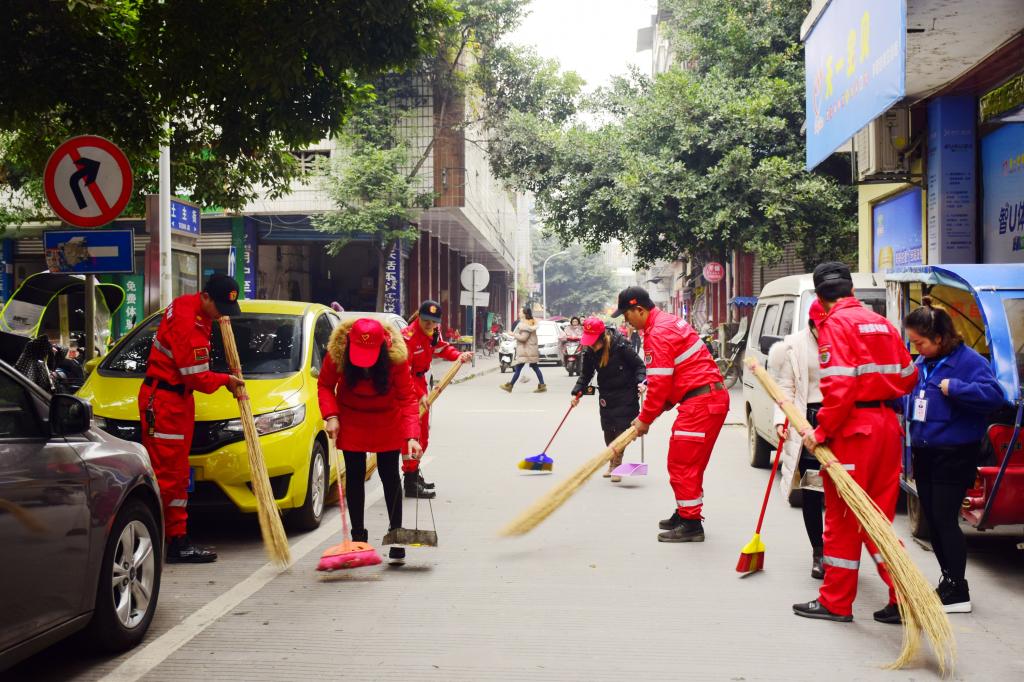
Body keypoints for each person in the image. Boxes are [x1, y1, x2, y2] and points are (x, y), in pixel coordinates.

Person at [793, 262, 917, 624]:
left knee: (844, 520)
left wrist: (821, 432)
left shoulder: (835, 325)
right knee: (877, 520)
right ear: (851, 290)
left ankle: (836, 601)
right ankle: (905, 596)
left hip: (853, 432)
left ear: (820, 298)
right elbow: (909, 376)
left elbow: (840, 388)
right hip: (886, 428)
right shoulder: (882, 323)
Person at [905, 298, 1005, 614]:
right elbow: (910, 398)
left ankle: (959, 590)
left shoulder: (968, 361)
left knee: (945, 519)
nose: (917, 349)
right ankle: (948, 582)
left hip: (954, 454)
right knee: (933, 520)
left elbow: (995, 396)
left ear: (939, 338)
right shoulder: (923, 363)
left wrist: (957, 388)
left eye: (920, 342)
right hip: (925, 452)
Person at [139, 274, 246, 563]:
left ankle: (170, 537)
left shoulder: (187, 305)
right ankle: (174, 542)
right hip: (166, 403)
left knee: (175, 470)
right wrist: (226, 380)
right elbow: (196, 377)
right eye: (219, 307)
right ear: (206, 296)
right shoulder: (190, 324)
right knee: (170, 475)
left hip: (173, 399)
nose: (222, 315)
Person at [616, 286, 729, 542]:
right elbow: (669, 385)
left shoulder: (658, 333)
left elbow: (659, 385)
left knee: (682, 462)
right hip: (706, 399)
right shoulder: (668, 323)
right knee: (691, 463)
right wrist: (649, 416)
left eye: (626, 315)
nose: (626, 321)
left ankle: (691, 523)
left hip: (700, 403)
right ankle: (685, 512)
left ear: (639, 310)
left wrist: (645, 419)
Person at [317, 317, 422, 563]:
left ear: (382, 347)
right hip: (352, 419)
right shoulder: (338, 354)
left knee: (390, 475)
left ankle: (396, 535)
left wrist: (411, 436)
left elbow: (407, 398)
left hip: (387, 420)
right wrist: (331, 416)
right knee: (354, 476)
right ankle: (358, 539)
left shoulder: (395, 359)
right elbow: (325, 385)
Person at [768, 310, 826, 579]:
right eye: (820, 328)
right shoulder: (795, 345)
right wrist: (782, 419)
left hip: (840, 425)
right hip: (807, 424)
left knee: (840, 493)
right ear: (811, 325)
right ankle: (819, 551)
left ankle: (840, 551)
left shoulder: (844, 339)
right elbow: (785, 387)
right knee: (812, 490)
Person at [401, 300, 473, 498]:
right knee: (412, 436)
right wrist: (419, 394)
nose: (430, 325)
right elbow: (403, 374)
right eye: (426, 320)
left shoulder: (433, 332)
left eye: (433, 322)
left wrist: (459, 355)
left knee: (423, 435)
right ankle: (410, 482)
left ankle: (414, 473)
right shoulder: (408, 338)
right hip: (408, 389)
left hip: (422, 384)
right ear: (419, 317)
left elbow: (442, 348)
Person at [571, 317, 647, 482]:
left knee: (621, 430)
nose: (591, 345)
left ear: (601, 337)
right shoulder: (589, 351)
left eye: (593, 342)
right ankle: (612, 460)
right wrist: (577, 392)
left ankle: (617, 464)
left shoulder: (621, 346)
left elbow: (639, 366)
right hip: (606, 393)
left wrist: (641, 382)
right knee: (608, 430)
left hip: (626, 392)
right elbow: (586, 374)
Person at [500, 306, 546, 393]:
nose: (519, 313)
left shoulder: (526, 325)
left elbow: (523, 338)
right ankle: (542, 385)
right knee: (534, 367)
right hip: (530, 349)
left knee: (519, 368)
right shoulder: (530, 322)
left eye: (520, 312)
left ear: (525, 314)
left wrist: (513, 334)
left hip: (526, 350)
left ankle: (510, 386)